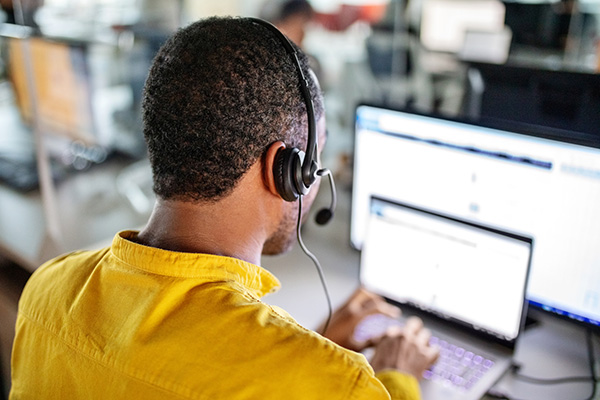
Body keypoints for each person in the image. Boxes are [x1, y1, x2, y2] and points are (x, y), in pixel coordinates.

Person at [10, 16, 438, 399]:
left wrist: (311, 345)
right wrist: (395, 377)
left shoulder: (48, 287)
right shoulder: (343, 385)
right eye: (315, 159)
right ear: (285, 171)